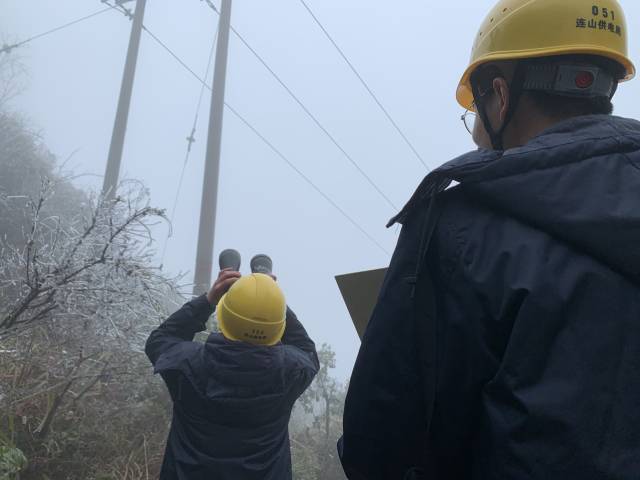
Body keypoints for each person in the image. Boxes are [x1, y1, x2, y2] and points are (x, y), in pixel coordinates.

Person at [338, 0, 640, 478]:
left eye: (476, 109)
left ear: (500, 94)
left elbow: (378, 443)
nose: (477, 134)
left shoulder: (462, 226)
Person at [146, 269, 319, 480]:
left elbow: (160, 340)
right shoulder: (289, 373)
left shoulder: (186, 365)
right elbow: (306, 351)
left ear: (224, 315)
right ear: (277, 327)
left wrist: (208, 300)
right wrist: (271, 302)